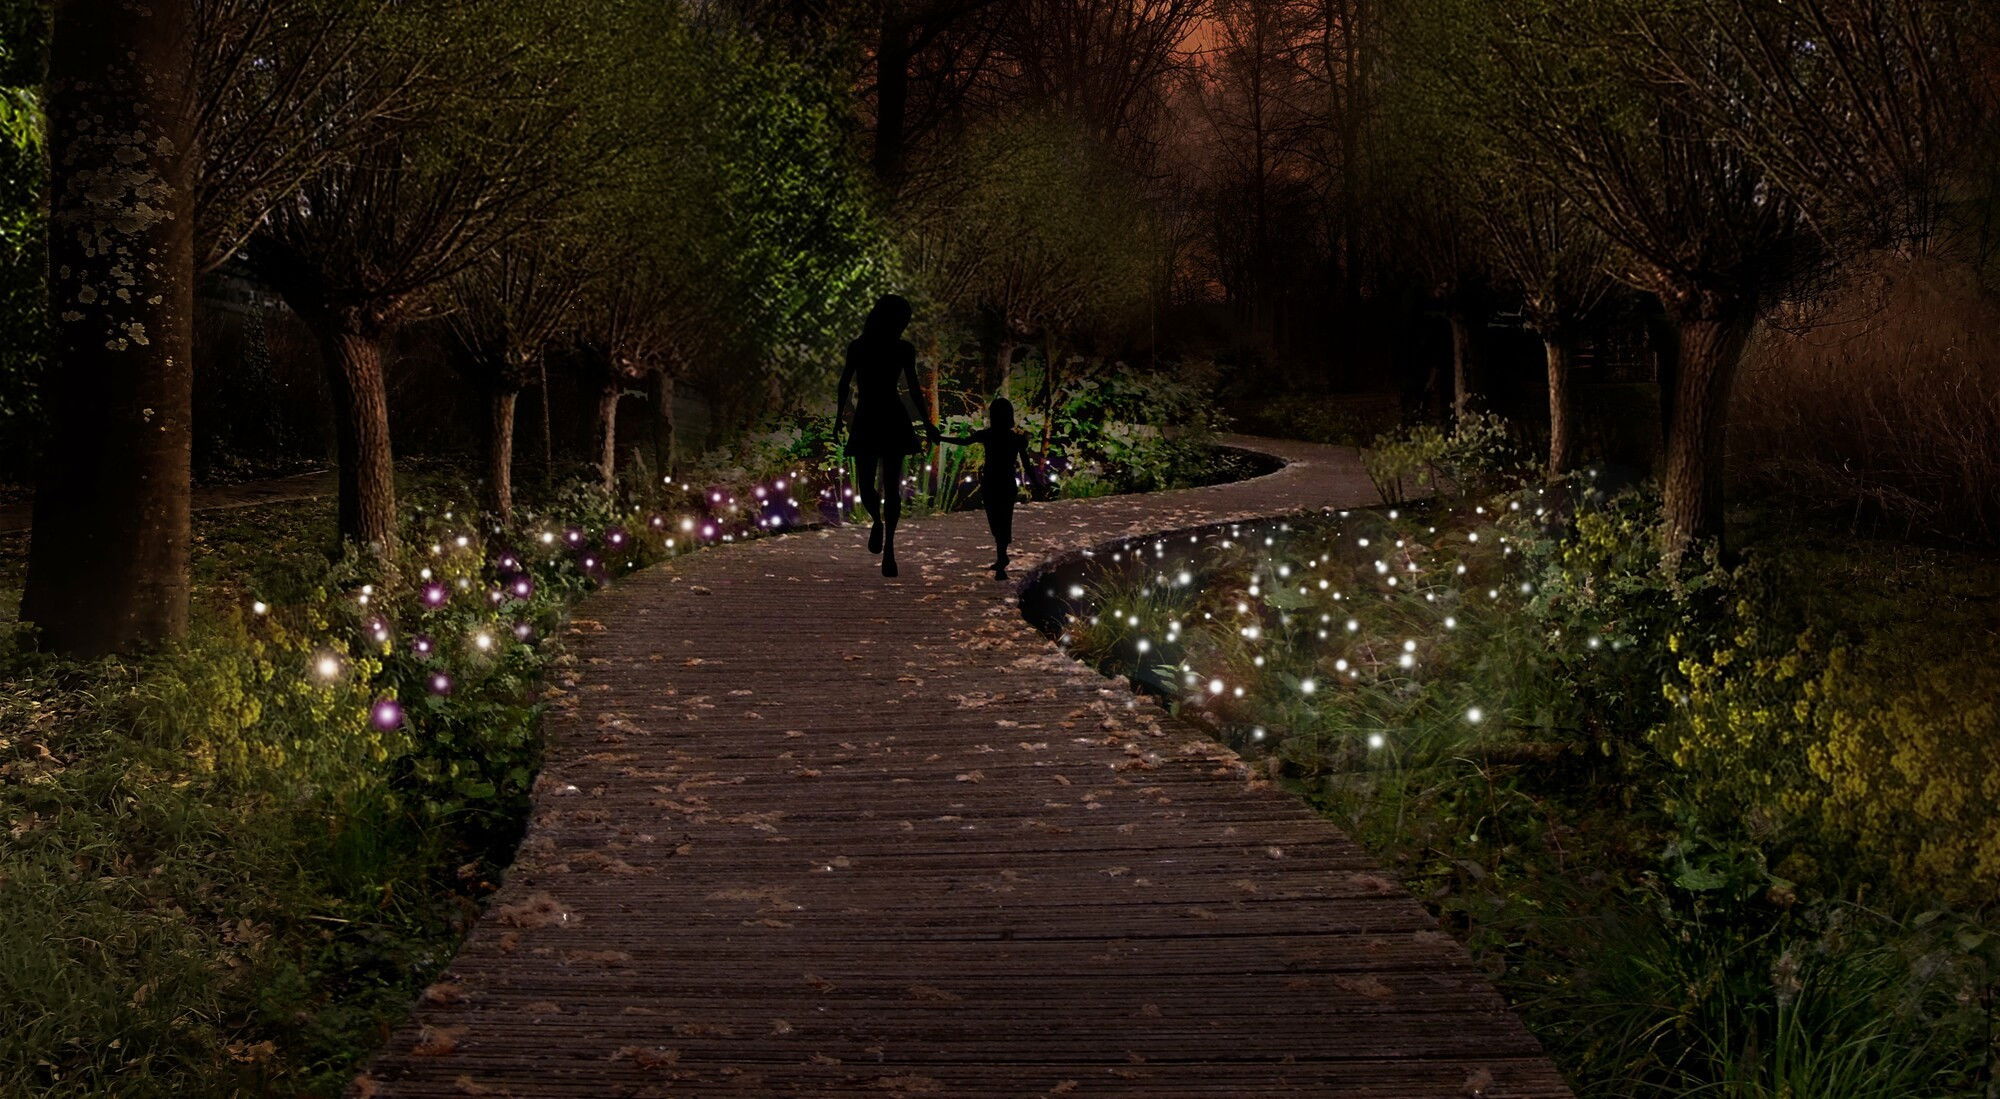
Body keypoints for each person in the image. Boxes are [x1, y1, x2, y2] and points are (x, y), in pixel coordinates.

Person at [833, 294, 937, 577]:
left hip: (887, 417)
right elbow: (845, 384)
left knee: (891, 487)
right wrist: (839, 417)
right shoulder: (859, 347)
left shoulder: (902, 349)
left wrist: (927, 424)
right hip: (873, 417)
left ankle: (889, 549)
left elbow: (914, 388)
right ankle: (877, 522)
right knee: (867, 486)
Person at [939, 397, 1036, 580]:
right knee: (1002, 519)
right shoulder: (1014, 438)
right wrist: (1037, 483)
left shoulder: (990, 435)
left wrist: (940, 438)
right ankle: (1002, 557)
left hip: (992, 482)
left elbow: (964, 441)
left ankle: (1001, 560)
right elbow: (1027, 465)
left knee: (997, 519)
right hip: (1004, 483)